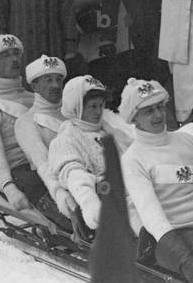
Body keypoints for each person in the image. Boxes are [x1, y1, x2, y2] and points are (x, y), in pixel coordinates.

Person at [119, 77, 193, 283]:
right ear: (135, 118)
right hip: (177, 235)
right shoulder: (133, 159)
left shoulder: (187, 141)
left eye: (160, 107)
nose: (158, 115)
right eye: (148, 111)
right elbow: (151, 214)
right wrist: (182, 256)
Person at [0, 33, 53, 216]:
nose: (14, 59)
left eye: (16, 53)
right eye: (6, 55)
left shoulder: (35, 99)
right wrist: (10, 190)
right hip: (21, 173)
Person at [47, 74, 133, 229]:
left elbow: (134, 153)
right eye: (92, 106)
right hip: (104, 196)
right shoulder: (66, 138)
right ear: (76, 108)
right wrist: (90, 203)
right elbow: (75, 176)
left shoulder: (108, 130)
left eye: (101, 105)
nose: (99, 111)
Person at [14, 55, 77, 220]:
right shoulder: (26, 122)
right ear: (34, 85)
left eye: (58, 79)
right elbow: (43, 164)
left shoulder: (73, 114)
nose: (55, 85)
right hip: (52, 186)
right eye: (48, 80)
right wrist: (61, 196)